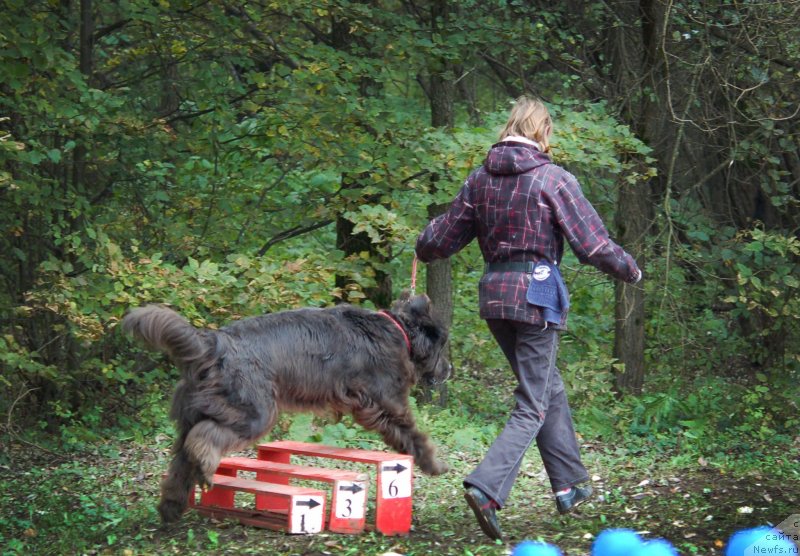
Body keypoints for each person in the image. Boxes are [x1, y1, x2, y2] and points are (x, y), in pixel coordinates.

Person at [415, 96, 642, 541]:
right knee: (533, 401)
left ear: (510, 128)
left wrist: (422, 245)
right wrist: (630, 270)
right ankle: (487, 488)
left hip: (495, 298)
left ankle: (570, 484)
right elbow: (592, 244)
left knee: (546, 385)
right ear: (543, 131)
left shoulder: (479, 180)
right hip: (536, 298)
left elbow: (441, 238)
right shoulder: (553, 178)